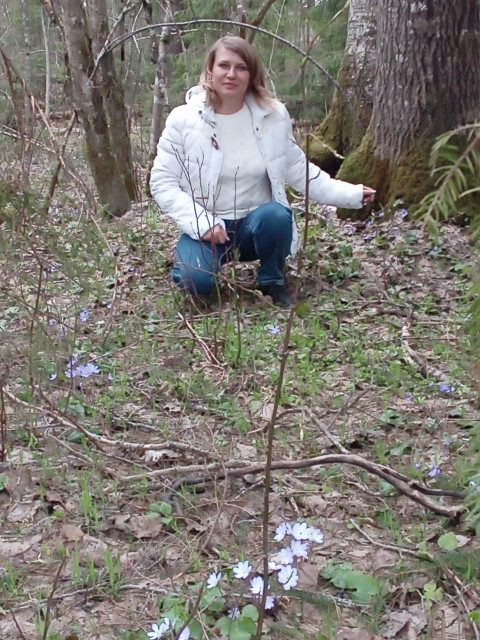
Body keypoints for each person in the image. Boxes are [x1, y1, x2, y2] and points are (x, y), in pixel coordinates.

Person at [150, 35, 375, 307]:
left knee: (277, 214)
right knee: (194, 281)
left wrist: (351, 194)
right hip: (208, 229)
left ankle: (272, 279)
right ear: (210, 70)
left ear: (252, 74)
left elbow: (299, 169)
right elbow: (162, 182)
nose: (231, 73)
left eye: (241, 67)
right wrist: (202, 223)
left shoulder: (272, 117)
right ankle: (195, 264)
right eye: (224, 65)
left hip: (256, 228)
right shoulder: (183, 120)